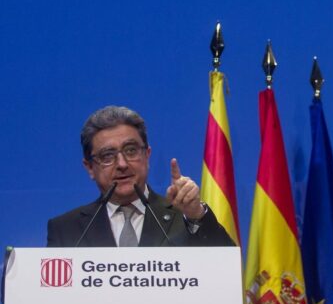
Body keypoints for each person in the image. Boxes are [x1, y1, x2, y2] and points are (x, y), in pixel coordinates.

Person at [47, 105, 235, 247]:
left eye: (131, 150)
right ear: (89, 167)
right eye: (107, 156)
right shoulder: (66, 230)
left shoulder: (185, 217)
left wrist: (195, 215)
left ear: (147, 155)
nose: (122, 164)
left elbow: (224, 269)